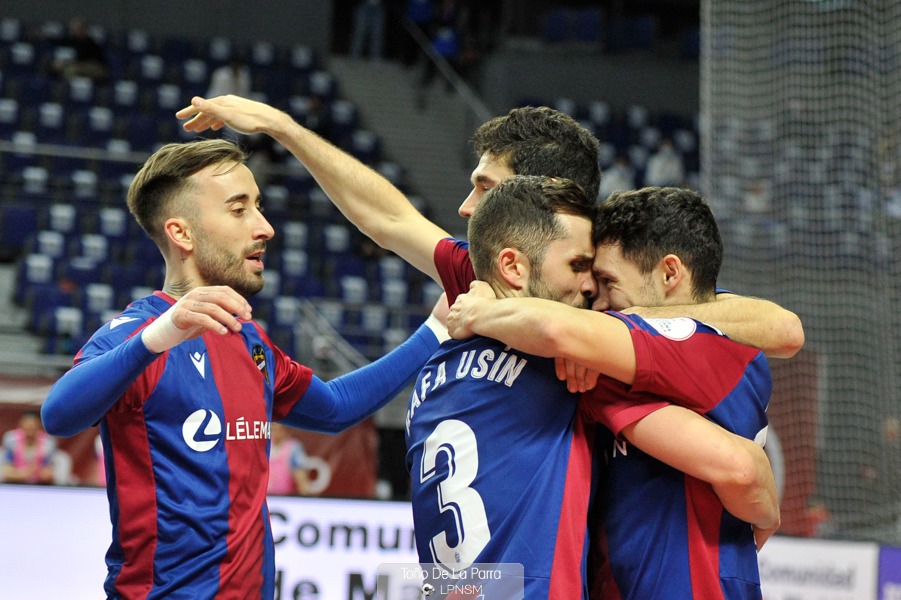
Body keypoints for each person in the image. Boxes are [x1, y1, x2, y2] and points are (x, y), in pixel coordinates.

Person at [39, 138, 450, 599]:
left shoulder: (248, 339)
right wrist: (160, 336)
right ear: (183, 234)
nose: (265, 227)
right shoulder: (135, 336)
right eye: (239, 210)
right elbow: (58, 415)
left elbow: (334, 408)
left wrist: (436, 330)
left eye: (259, 206)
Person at [176, 95, 804, 359]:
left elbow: (778, 328)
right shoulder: (484, 270)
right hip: (473, 570)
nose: (465, 209)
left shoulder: (609, 290)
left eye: (484, 187)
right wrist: (282, 127)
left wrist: (607, 325)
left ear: (532, 198)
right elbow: (386, 218)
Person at [406, 176, 778, 598]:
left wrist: (483, 313)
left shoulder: (437, 370)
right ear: (513, 265)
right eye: (581, 269)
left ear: (670, 273)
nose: (596, 300)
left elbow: (783, 333)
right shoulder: (574, 369)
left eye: (606, 281)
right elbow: (746, 468)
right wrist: (765, 520)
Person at [1, 410, 57, 485]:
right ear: (20, 424)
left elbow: (48, 474)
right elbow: (6, 470)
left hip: (40, 484)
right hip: (14, 482)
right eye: (27, 425)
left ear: (39, 425)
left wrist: (35, 473)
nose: (30, 427)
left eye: (32, 426)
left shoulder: (48, 442)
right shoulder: (10, 439)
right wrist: (22, 475)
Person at [267, 422, 315, 496]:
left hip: (286, 499)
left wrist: (306, 501)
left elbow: (301, 479)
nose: (275, 433)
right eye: (272, 430)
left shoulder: (293, 449)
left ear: (286, 431)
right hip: (266, 498)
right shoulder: (265, 446)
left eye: (279, 430)